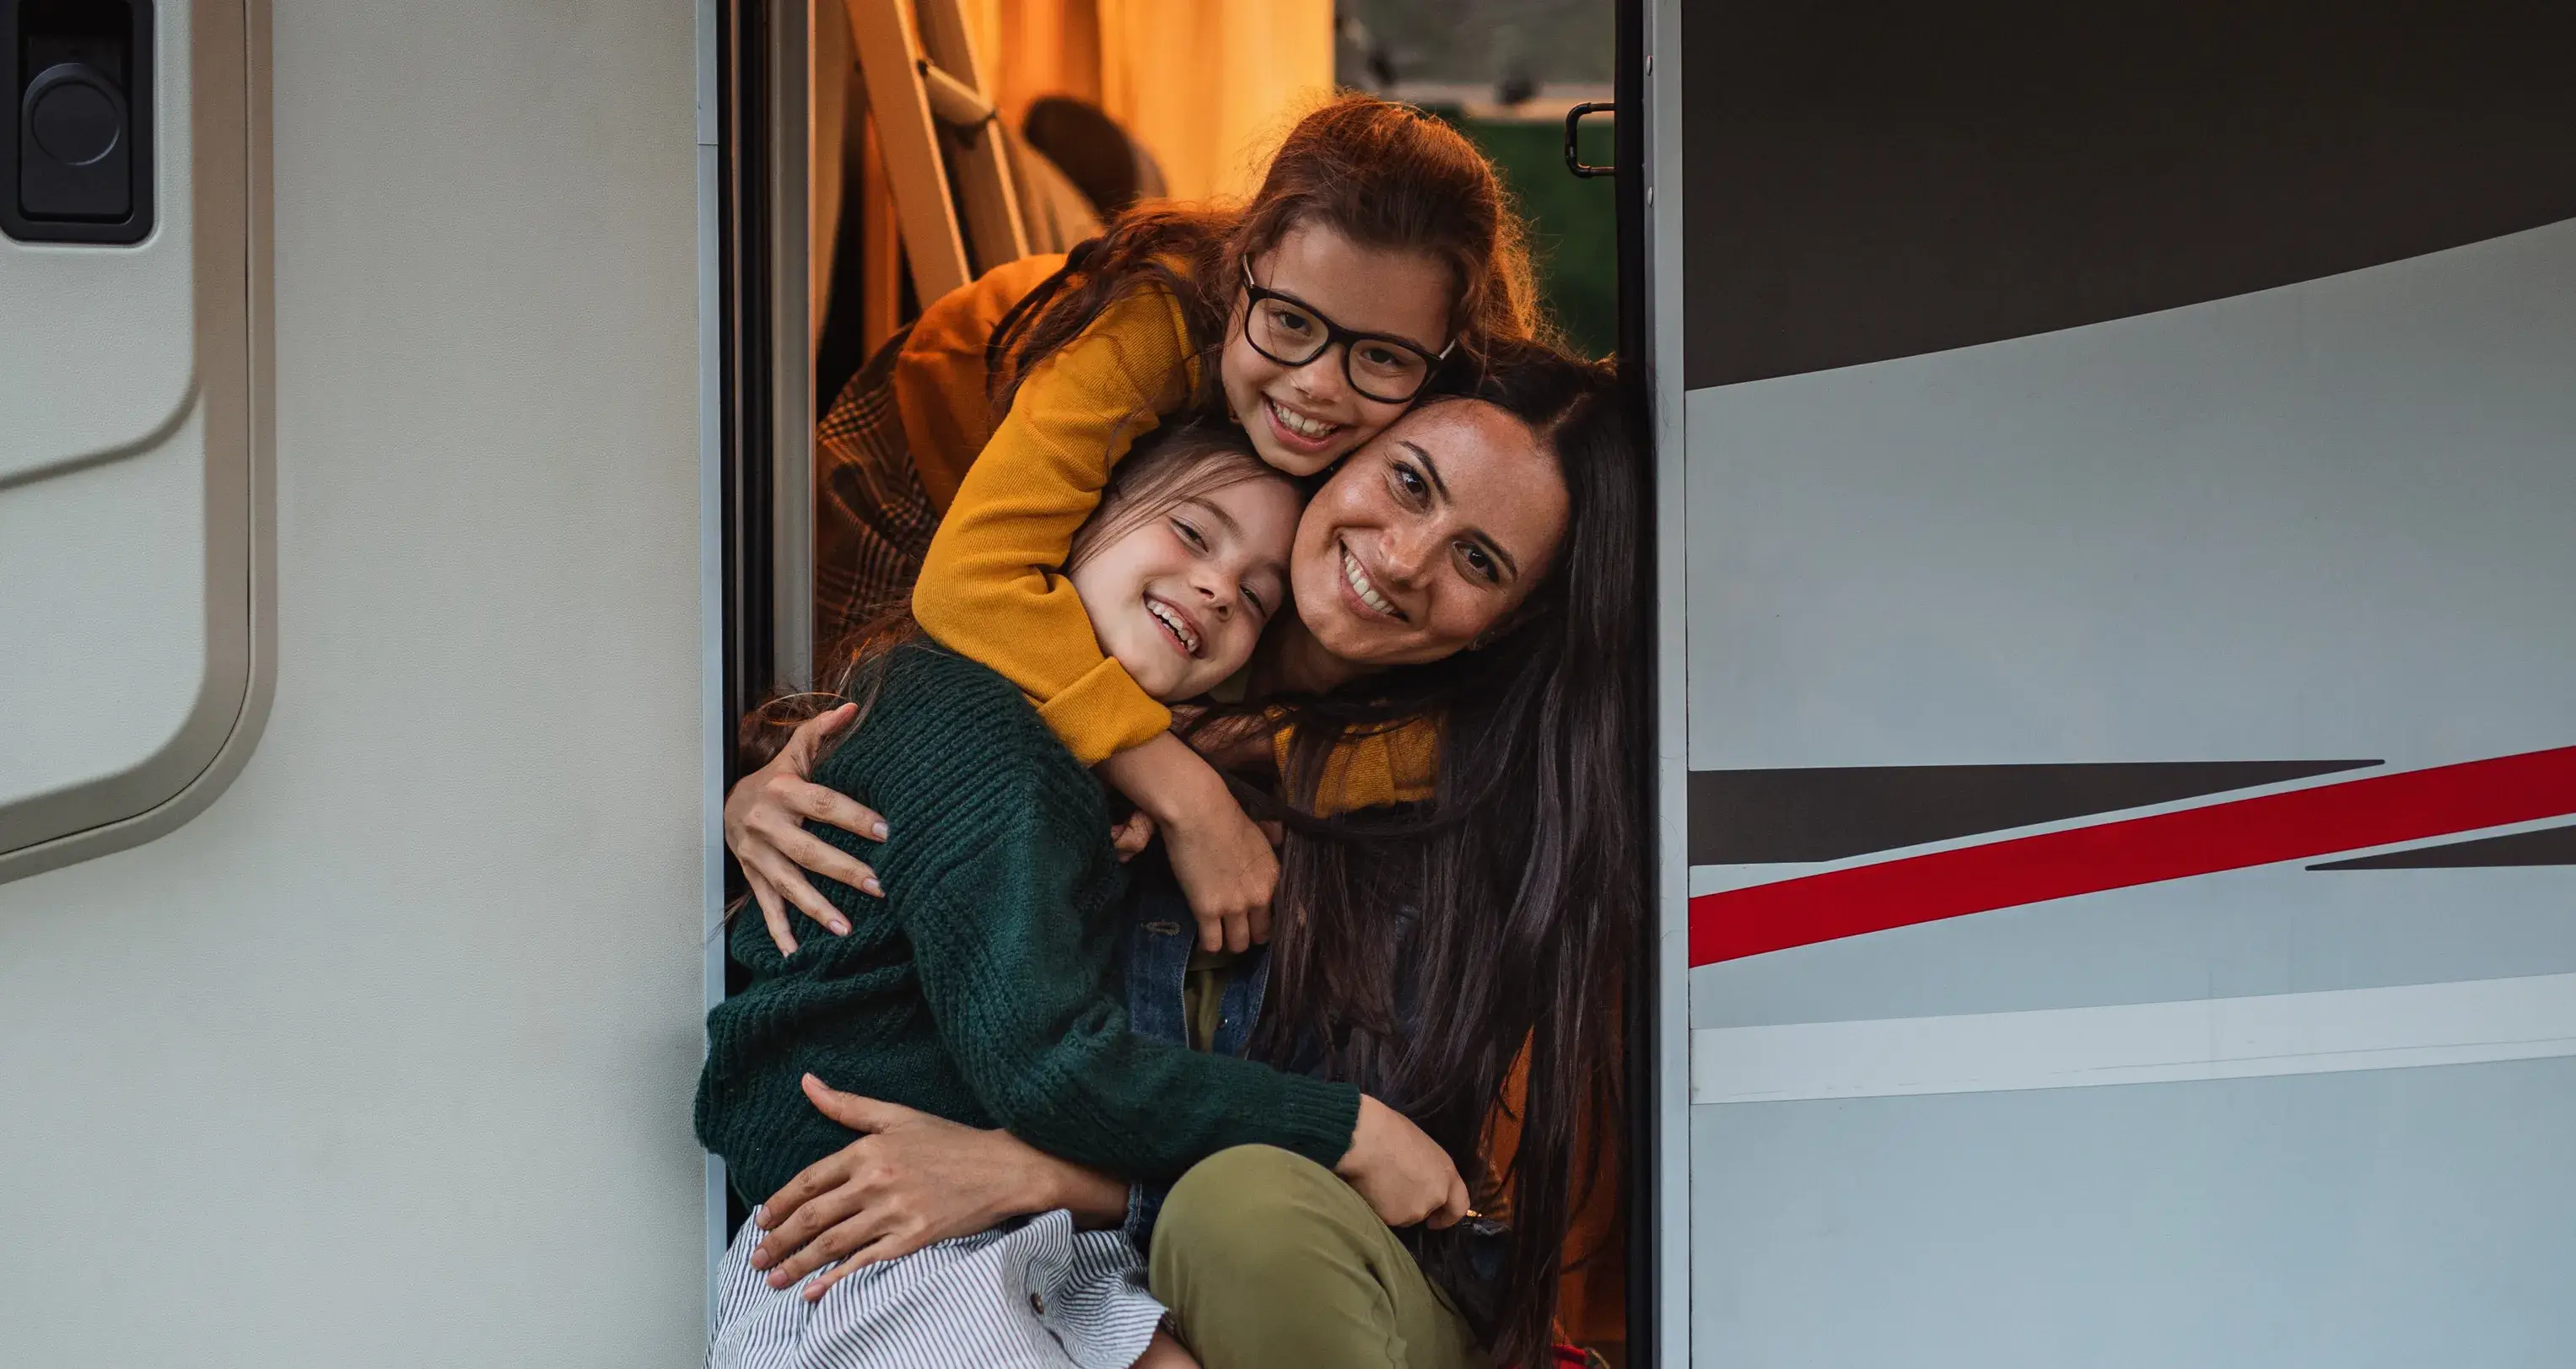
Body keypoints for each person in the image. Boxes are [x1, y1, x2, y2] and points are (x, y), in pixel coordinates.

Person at [731, 344, 1646, 1368]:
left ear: (1507, 624)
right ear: (1340, 452)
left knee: (1240, 1216)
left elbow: (1378, 1183)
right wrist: (763, 794)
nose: (1400, 559)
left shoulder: (1449, 813)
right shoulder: (1092, 699)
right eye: (1407, 482)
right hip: (1013, 1259)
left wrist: (1033, 1174)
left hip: (1319, 1279)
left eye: (1479, 561)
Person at [779, 91, 1554, 964]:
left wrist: (1260, 749)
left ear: (1447, 353)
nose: (1318, 388)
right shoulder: (1157, 321)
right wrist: (1183, 787)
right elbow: (970, 583)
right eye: (1291, 323)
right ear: (1244, 266)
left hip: (1168, 545)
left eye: (1380, 356)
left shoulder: (1468, 431)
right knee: (864, 735)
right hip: (937, 463)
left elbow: (1483, 734)